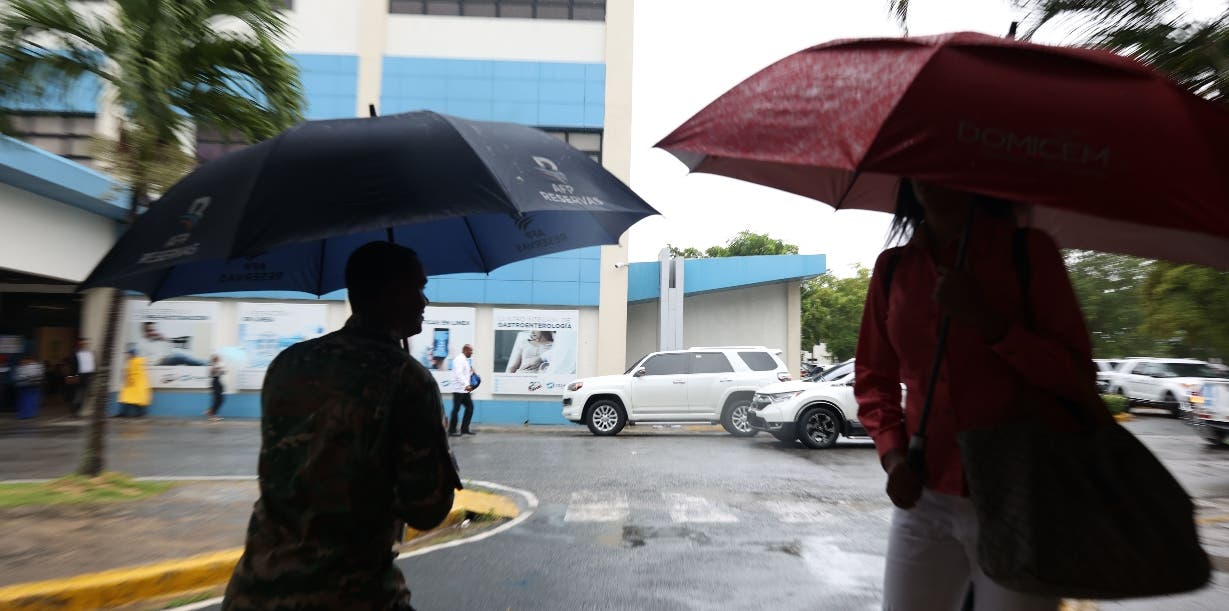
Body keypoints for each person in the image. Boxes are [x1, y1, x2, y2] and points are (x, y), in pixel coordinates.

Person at [855, 179, 1101, 611]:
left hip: (1020, 496)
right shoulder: (893, 269)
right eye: (917, 163)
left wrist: (989, 322)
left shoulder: (1028, 254)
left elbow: (1075, 373)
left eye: (945, 163)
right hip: (924, 492)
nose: (929, 176)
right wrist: (892, 455)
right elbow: (874, 377)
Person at [223, 241, 461, 611]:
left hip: (252, 591)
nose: (424, 302)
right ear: (389, 294)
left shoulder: (288, 364)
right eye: (417, 288)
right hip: (348, 594)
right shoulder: (406, 378)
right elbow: (427, 509)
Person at [136, 321, 208, 366]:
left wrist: (165, 340)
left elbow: (169, 350)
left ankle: (204, 362)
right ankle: (204, 363)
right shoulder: (141, 343)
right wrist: (159, 359)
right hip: (157, 362)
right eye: (149, 330)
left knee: (182, 353)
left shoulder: (157, 339)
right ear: (144, 331)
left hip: (164, 358)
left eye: (153, 330)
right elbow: (144, 361)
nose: (152, 332)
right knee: (180, 356)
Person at [449, 344, 476, 437]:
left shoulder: (465, 360)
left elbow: (465, 374)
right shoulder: (459, 359)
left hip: (464, 391)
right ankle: (451, 430)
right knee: (456, 410)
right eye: (470, 351)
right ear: (465, 350)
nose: (472, 353)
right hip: (458, 390)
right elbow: (459, 374)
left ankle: (464, 429)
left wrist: (472, 371)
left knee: (470, 408)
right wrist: (467, 385)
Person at [117, 349, 151, 418]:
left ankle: (140, 413)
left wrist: (130, 379)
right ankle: (124, 413)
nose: (127, 355)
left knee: (135, 399)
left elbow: (136, 373)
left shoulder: (136, 361)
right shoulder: (131, 361)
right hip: (132, 384)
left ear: (133, 354)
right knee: (127, 398)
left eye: (129, 354)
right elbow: (129, 372)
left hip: (136, 384)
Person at [69, 339, 96, 417]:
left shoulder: (90, 354)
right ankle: (74, 410)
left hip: (87, 378)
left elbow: (93, 365)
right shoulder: (76, 354)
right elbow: (73, 367)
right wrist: (71, 377)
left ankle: (77, 410)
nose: (84, 345)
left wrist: (92, 375)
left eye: (85, 344)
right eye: (82, 344)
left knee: (84, 395)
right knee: (78, 394)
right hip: (78, 377)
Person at [206, 355, 225, 421]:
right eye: (218, 358)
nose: (219, 359)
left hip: (218, 381)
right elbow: (211, 374)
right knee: (217, 399)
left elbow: (223, 373)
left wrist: (221, 370)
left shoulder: (218, 365)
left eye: (219, 358)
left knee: (221, 399)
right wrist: (217, 369)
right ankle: (211, 415)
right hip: (215, 382)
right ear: (215, 359)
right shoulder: (212, 365)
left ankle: (211, 412)